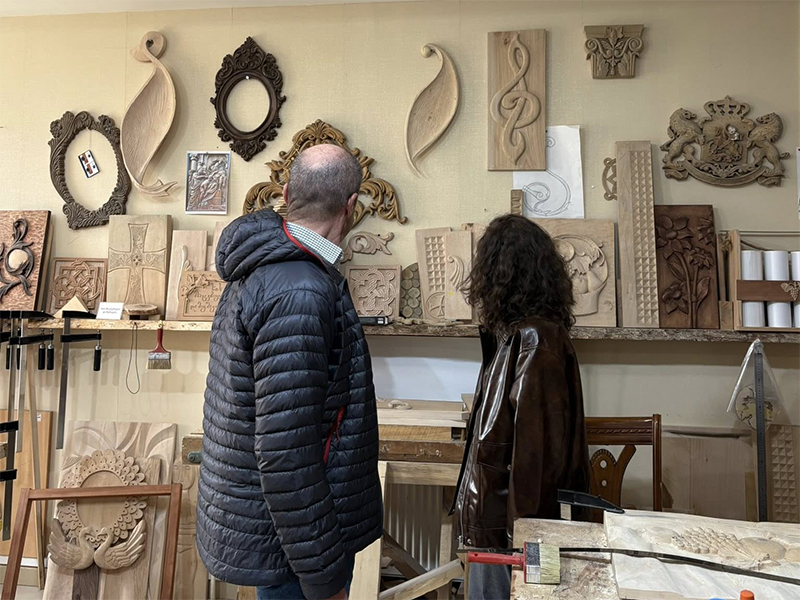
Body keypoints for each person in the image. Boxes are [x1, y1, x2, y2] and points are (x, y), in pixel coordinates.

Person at [197, 144, 383, 600]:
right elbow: (286, 453)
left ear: (285, 193)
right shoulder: (299, 289)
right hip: (297, 548)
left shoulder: (271, 267)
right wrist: (323, 577)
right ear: (350, 207)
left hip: (286, 534)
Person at [453, 214, 590, 600]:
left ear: (498, 274)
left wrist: (528, 550)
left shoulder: (535, 341)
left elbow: (536, 461)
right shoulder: (517, 338)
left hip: (510, 533)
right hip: (501, 527)